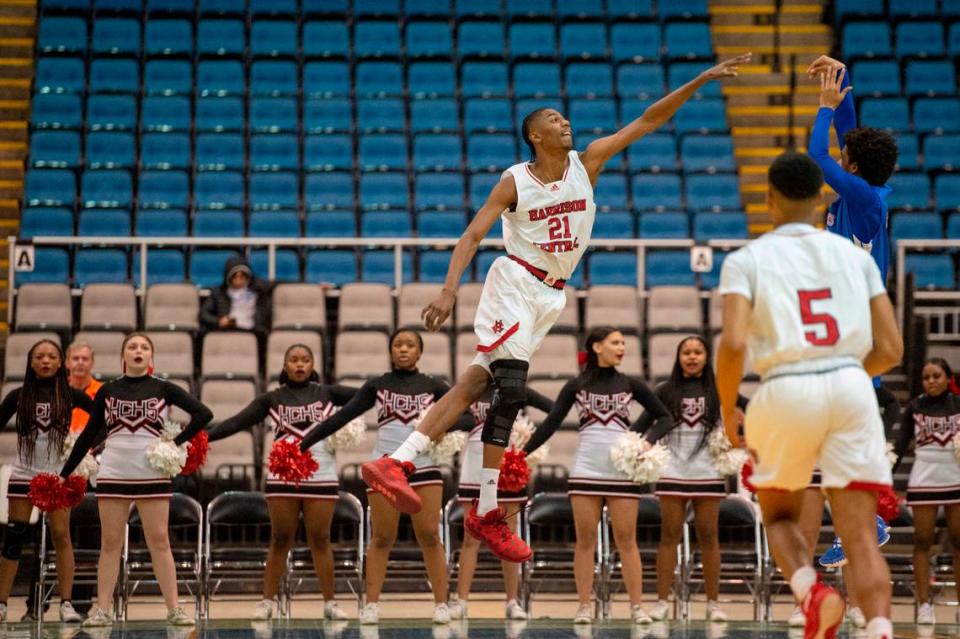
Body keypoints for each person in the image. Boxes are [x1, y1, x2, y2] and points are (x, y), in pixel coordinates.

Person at [358, 53, 752, 564]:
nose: (564, 122)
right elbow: (473, 234)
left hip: (551, 295)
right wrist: (449, 290)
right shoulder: (515, 181)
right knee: (512, 389)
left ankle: (398, 462)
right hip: (515, 280)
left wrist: (700, 79)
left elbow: (650, 119)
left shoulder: (587, 164)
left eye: (565, 118)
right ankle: (484, 509)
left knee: (476, 384)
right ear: (535, 136)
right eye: (553, 119)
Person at [716, 151, 903, 639]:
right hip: (848, 384)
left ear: (769, 198)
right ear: (823, 195)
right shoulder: (854, 256)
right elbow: (891, 349)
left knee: (779, 515)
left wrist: (728, 408)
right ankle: (881, 629)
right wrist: (845, 373)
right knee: (860, 534)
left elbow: (734, 344)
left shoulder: (745, 260)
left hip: (784, 388)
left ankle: (810, 591)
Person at [299, 329, 473, 625]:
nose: (403, 349)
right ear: (391, 351)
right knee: (381, 537)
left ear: (420, 352)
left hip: (424, 468)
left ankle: (442, 604)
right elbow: (342, 416)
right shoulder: (378, 385)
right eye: (398, 345)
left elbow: (468, 416)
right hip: (384, 468)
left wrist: (444, 426)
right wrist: (304, 444)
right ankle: (372, 605)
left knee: (430, 535)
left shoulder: (434, 386)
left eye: (410, 345)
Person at [523, 327, 674, 625]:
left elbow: (665, 416)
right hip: (586, 470)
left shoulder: (632, 384)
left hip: (621, 471)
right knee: (585, 541)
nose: (621, 347)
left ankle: (635, 608)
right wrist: (521, 453)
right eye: (615, 342)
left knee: (627, 540)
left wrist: (645, 441)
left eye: (623, 343)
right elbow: (551, 423)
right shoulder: (576, 385)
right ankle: (583, 606)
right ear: (596, 347)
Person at [61, 333, 213, 627]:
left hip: (151, 472)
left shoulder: (164, 388)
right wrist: (65, 473)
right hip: (114, 471)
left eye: (144, 347)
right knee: (110, 543)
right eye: (132, 347)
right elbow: (91, 435)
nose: (138, 351)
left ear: (151, 358)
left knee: (159, 540)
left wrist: (174, 443)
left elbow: (203, 414)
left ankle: (174, 609)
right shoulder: (107, 391)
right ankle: (102, 610)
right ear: (124, 356)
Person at [207, 344, 356, 622]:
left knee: (320, 540)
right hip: (282, 475)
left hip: (321, 474)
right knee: (279, 538)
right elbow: (237, 422)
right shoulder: (272, 399)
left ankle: (330, 603)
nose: (300, 365)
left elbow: (369, 395)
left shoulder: (328, 393)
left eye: (305, 360)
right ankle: (266, 602)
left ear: (313, 365)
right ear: (285, 365)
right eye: (293, 360)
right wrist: (201, 437)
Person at [636, 335, 746, 623]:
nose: (693, 357)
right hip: (672, 471)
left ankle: (713, 604)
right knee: (669, 536)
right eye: (687, 352)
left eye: (698, 352)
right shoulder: (664, 391)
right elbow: (641, 426)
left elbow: (754, 409)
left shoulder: (720, 391)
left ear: (707, 357)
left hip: (707, 472)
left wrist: (742, 435)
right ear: (679, 357)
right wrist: (639, 446)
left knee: (709, 536)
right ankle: (661, 602)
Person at [0, 340, 92, 623]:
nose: (45, 361)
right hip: (23, 474)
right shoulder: (17, 396)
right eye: (39, 356)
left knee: (61, 536)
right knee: (14, 538)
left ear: (60, 362)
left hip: (57, 475)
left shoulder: (72, 395)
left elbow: (101, 418)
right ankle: (2, 605)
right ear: (30, 362)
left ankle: (66, 604)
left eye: (52, 356)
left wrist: (84, 448)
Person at [448, 386, 553, 622]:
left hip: (506, 468)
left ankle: (512, 602)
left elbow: (553, 409)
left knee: (509, 536)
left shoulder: (516, 389)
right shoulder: (472, 386)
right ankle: (461, 601)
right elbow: (449, 418)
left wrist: (528, 445)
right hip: (474, 465)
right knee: (470, 537)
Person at [891, 357, 960, 626]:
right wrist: (885, 478)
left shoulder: (958, 405)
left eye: (936, 376)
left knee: (959, 543)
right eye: (926, 377)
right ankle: (923, 604)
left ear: (947, 377)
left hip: (955, 477)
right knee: (922, 541)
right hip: (925, 476)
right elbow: (899, 445)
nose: (931, 381)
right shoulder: (915, 407)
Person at [199, 255, 272, 361]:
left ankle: (261, 370)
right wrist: (218, 321)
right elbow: (203, 314)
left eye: (242, 275)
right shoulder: (218, 293)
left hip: (251, 329)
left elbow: (275, 285)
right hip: (227, 327)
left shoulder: (258, 290)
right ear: (228, 277)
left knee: (265, 335)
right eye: (235, 276)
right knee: (201, 333)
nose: (239, 279)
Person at [66, 341, 102, 434]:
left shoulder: (102, 392)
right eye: (75, 358)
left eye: (85, 359)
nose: (80, 363)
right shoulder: (57, 391)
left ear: (92, 363)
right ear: (67, 363)